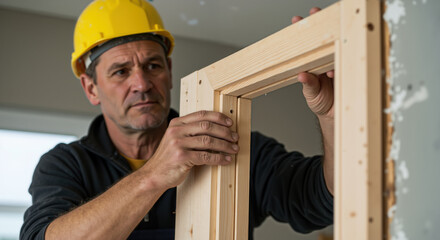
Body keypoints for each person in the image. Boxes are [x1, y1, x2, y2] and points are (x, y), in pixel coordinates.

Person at [20, 0, 334, 239]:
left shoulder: (224, 140)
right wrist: (154, 175)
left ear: (169, 72)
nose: (142, 84)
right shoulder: (65, 164)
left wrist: (331, 117)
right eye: (120, 71)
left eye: (153, 66)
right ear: (91, 88)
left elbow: (321, 201)